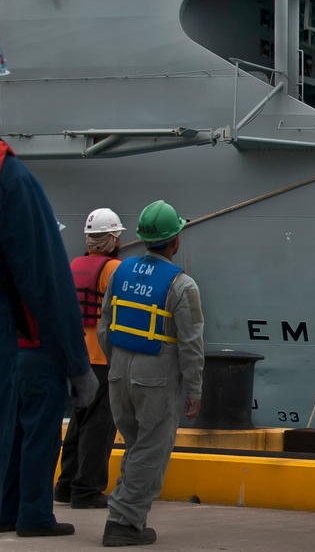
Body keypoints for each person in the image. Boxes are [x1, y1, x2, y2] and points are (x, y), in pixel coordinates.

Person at [0, 139, 98, 537]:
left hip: (21, 358)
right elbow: (48, 290)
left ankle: (9, 510)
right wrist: (78, 366)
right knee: (40, 437)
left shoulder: (79, 264)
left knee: (19, 435)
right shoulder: (13, 182)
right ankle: (35, 515)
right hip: (41, 354)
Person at [98, 200, 204, 546]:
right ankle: (123, 522)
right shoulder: (182, 285)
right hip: (155, 377)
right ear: (175, 241)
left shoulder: (121, 272)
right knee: (152, 449)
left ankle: (127, 515)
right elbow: (190, 344)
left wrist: (116, 364)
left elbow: (104, 328)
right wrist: (194, 389)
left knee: (135, 445)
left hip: (119, 371)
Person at [54, 209, 127, 510]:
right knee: (100, 425)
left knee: (77, 423)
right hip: (102, 357)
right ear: (112, 239)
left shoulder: (74, 264)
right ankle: (87, 489)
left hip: (76, 356)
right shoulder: (113, 270)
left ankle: (65, 485)